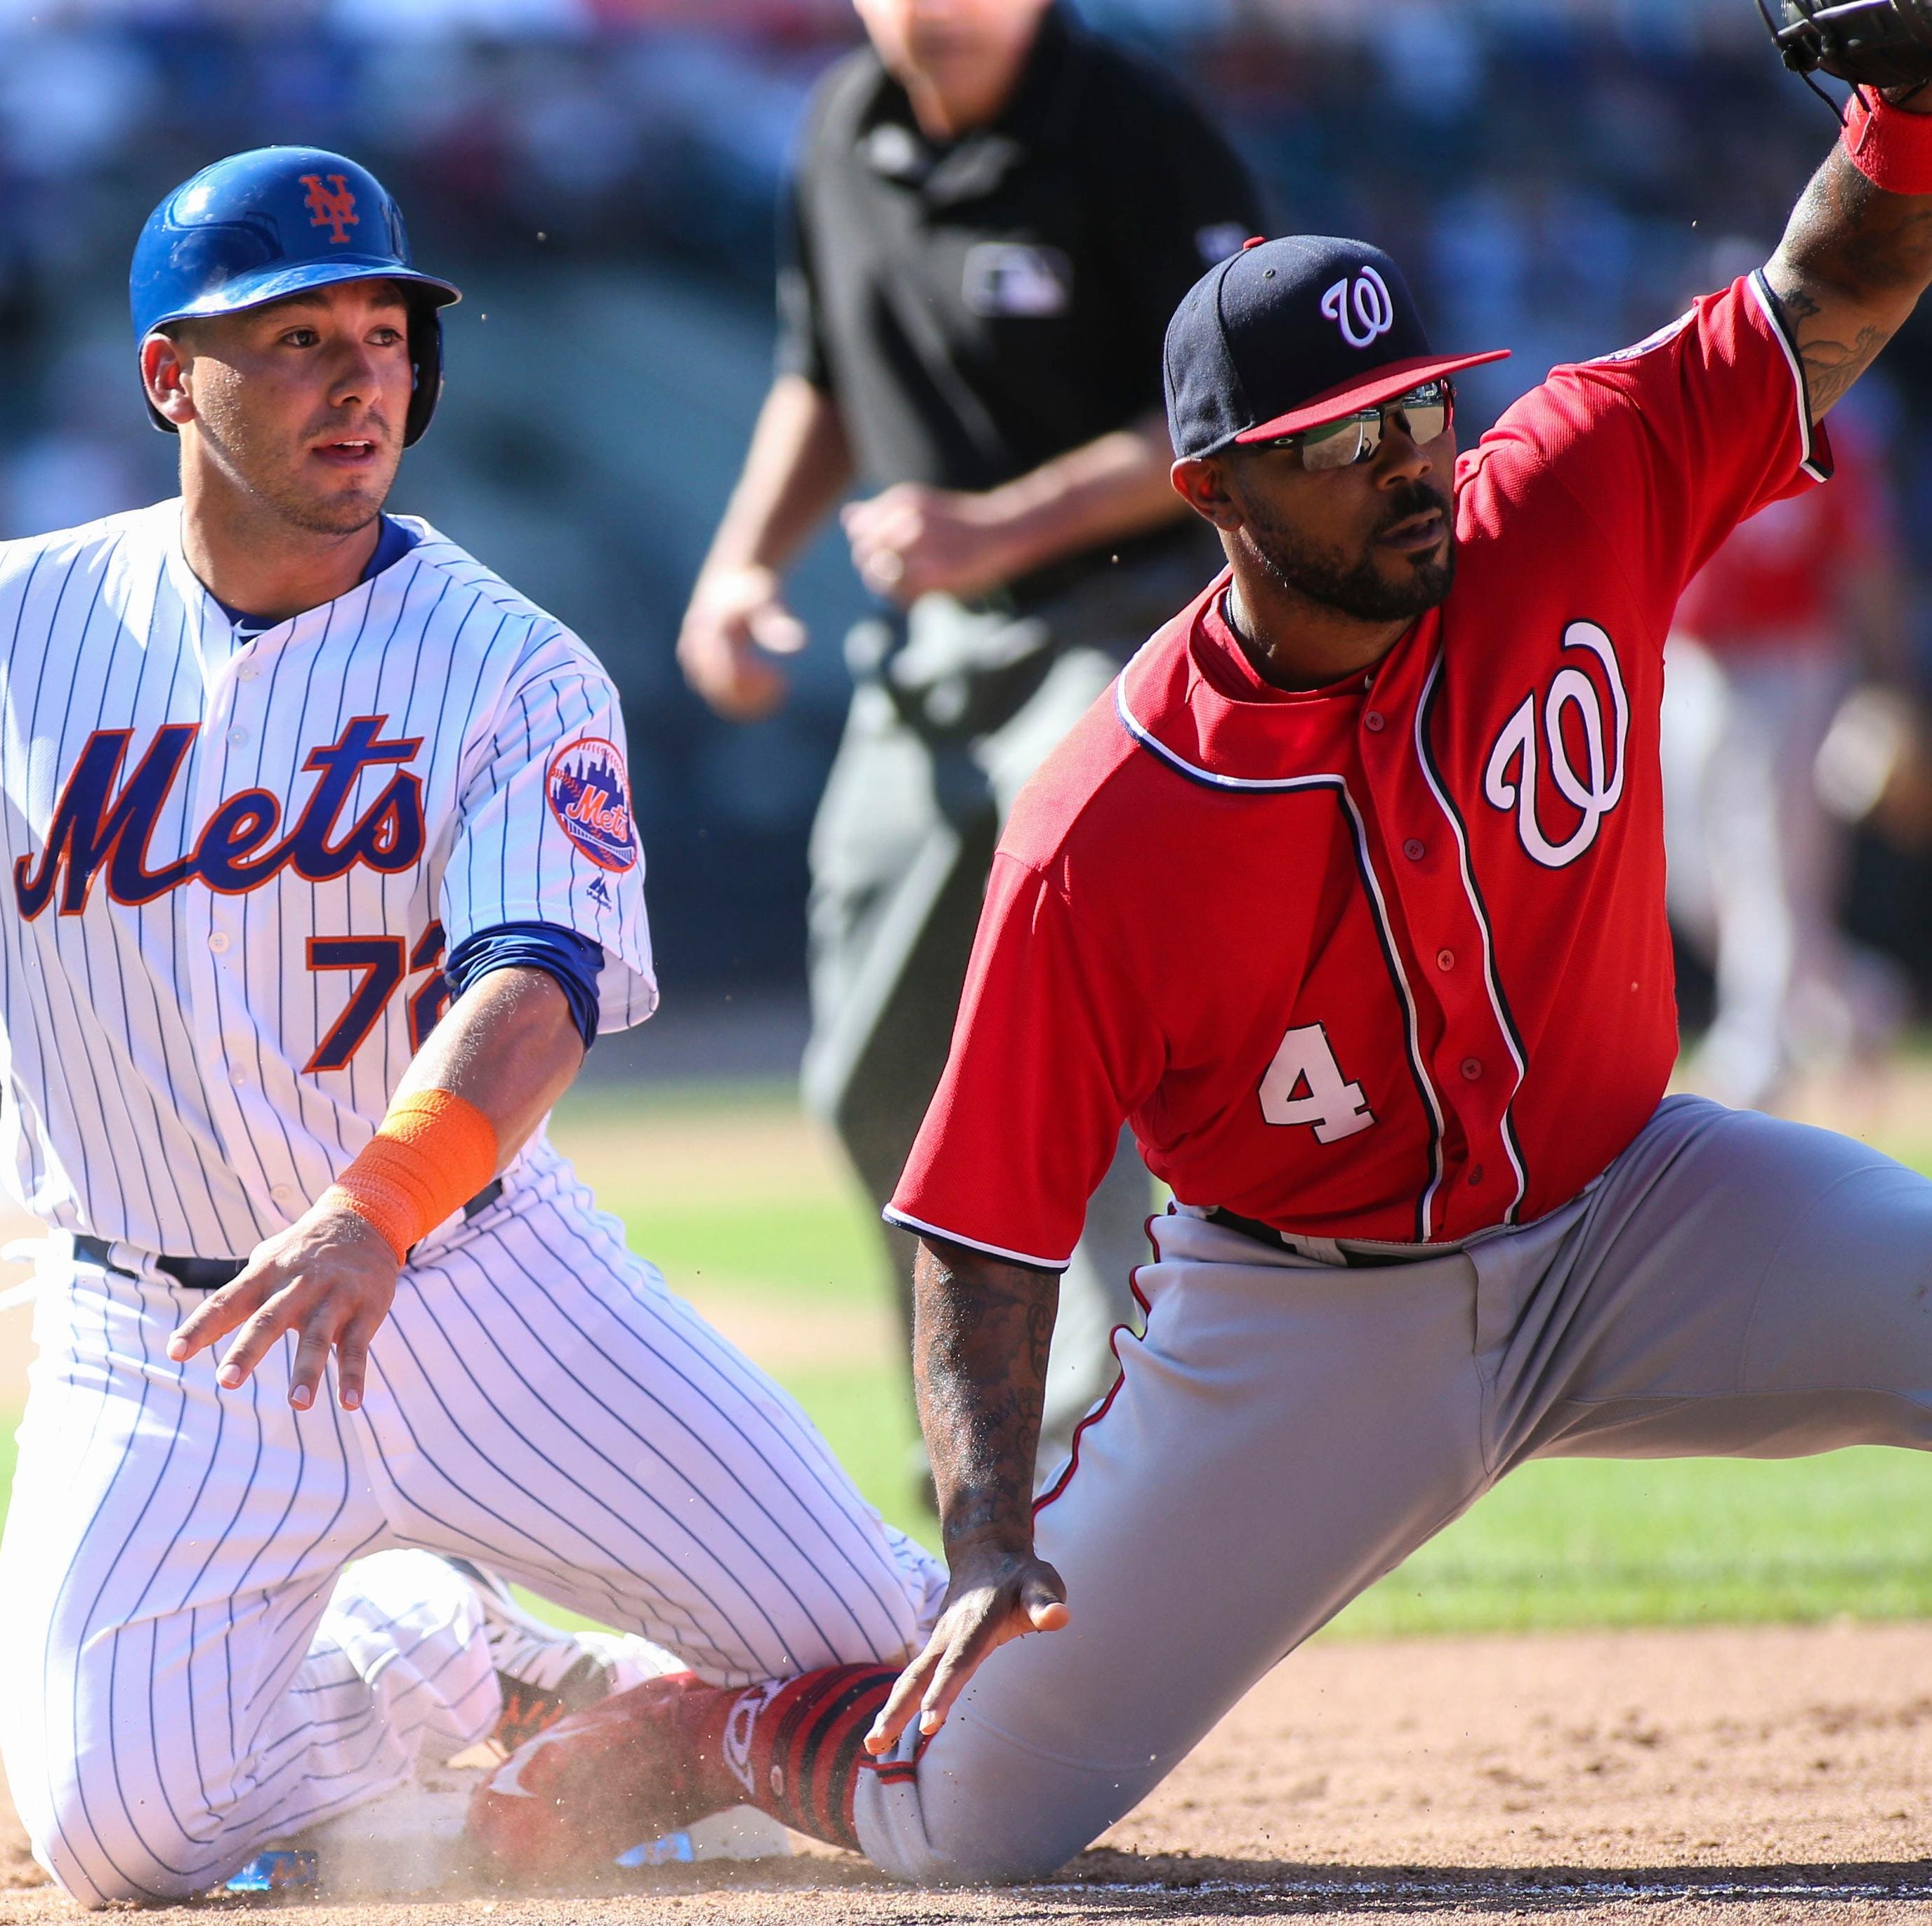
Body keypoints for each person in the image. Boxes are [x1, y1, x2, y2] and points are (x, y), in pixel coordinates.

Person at [471, 72, 1932, 1886]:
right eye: (1344, 439)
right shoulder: (1104, 820)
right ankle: (707, 1725)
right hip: (1314, 1318)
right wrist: (988, 1520)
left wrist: (1906, 111)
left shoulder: (1566, 488)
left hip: (1640, 1206)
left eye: (1416, 408)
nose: (1410, 459)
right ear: (1216, 490)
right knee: (972, 1817)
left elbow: (1824, 298)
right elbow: (982, 1226)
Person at [0, 147, 938, 1904]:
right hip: (161, 1348)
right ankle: (459, 1651)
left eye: (384, 332)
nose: (359, 375)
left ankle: (663, 1722)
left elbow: (533, 980)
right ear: (173, 375)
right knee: (123, 1837)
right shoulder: (0, 618)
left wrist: (378, 1200)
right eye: (296, 336)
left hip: (478, 1287)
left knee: (909, 1663)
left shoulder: (508, 658)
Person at [677, 0, 1264, 1486]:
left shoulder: (1133, 124)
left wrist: (1002, 524)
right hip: (930, 647)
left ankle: (1120, 1446)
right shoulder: (838, 130)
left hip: (1123, 624)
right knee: (875, 1069)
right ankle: (968, 1448)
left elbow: (1235, 406)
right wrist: (741, 563)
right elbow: (822, 373)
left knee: (1100, 1040)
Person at [1662, 404, 1910, 1109]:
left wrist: (1890, 684)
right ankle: (1857, 998)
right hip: (1690, 660)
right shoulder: (1689, 415)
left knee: (1771, 867)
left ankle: (1756, 1055)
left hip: (1792, 659)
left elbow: (1868, 562)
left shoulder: (1833, 430)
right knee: (1696, 882)